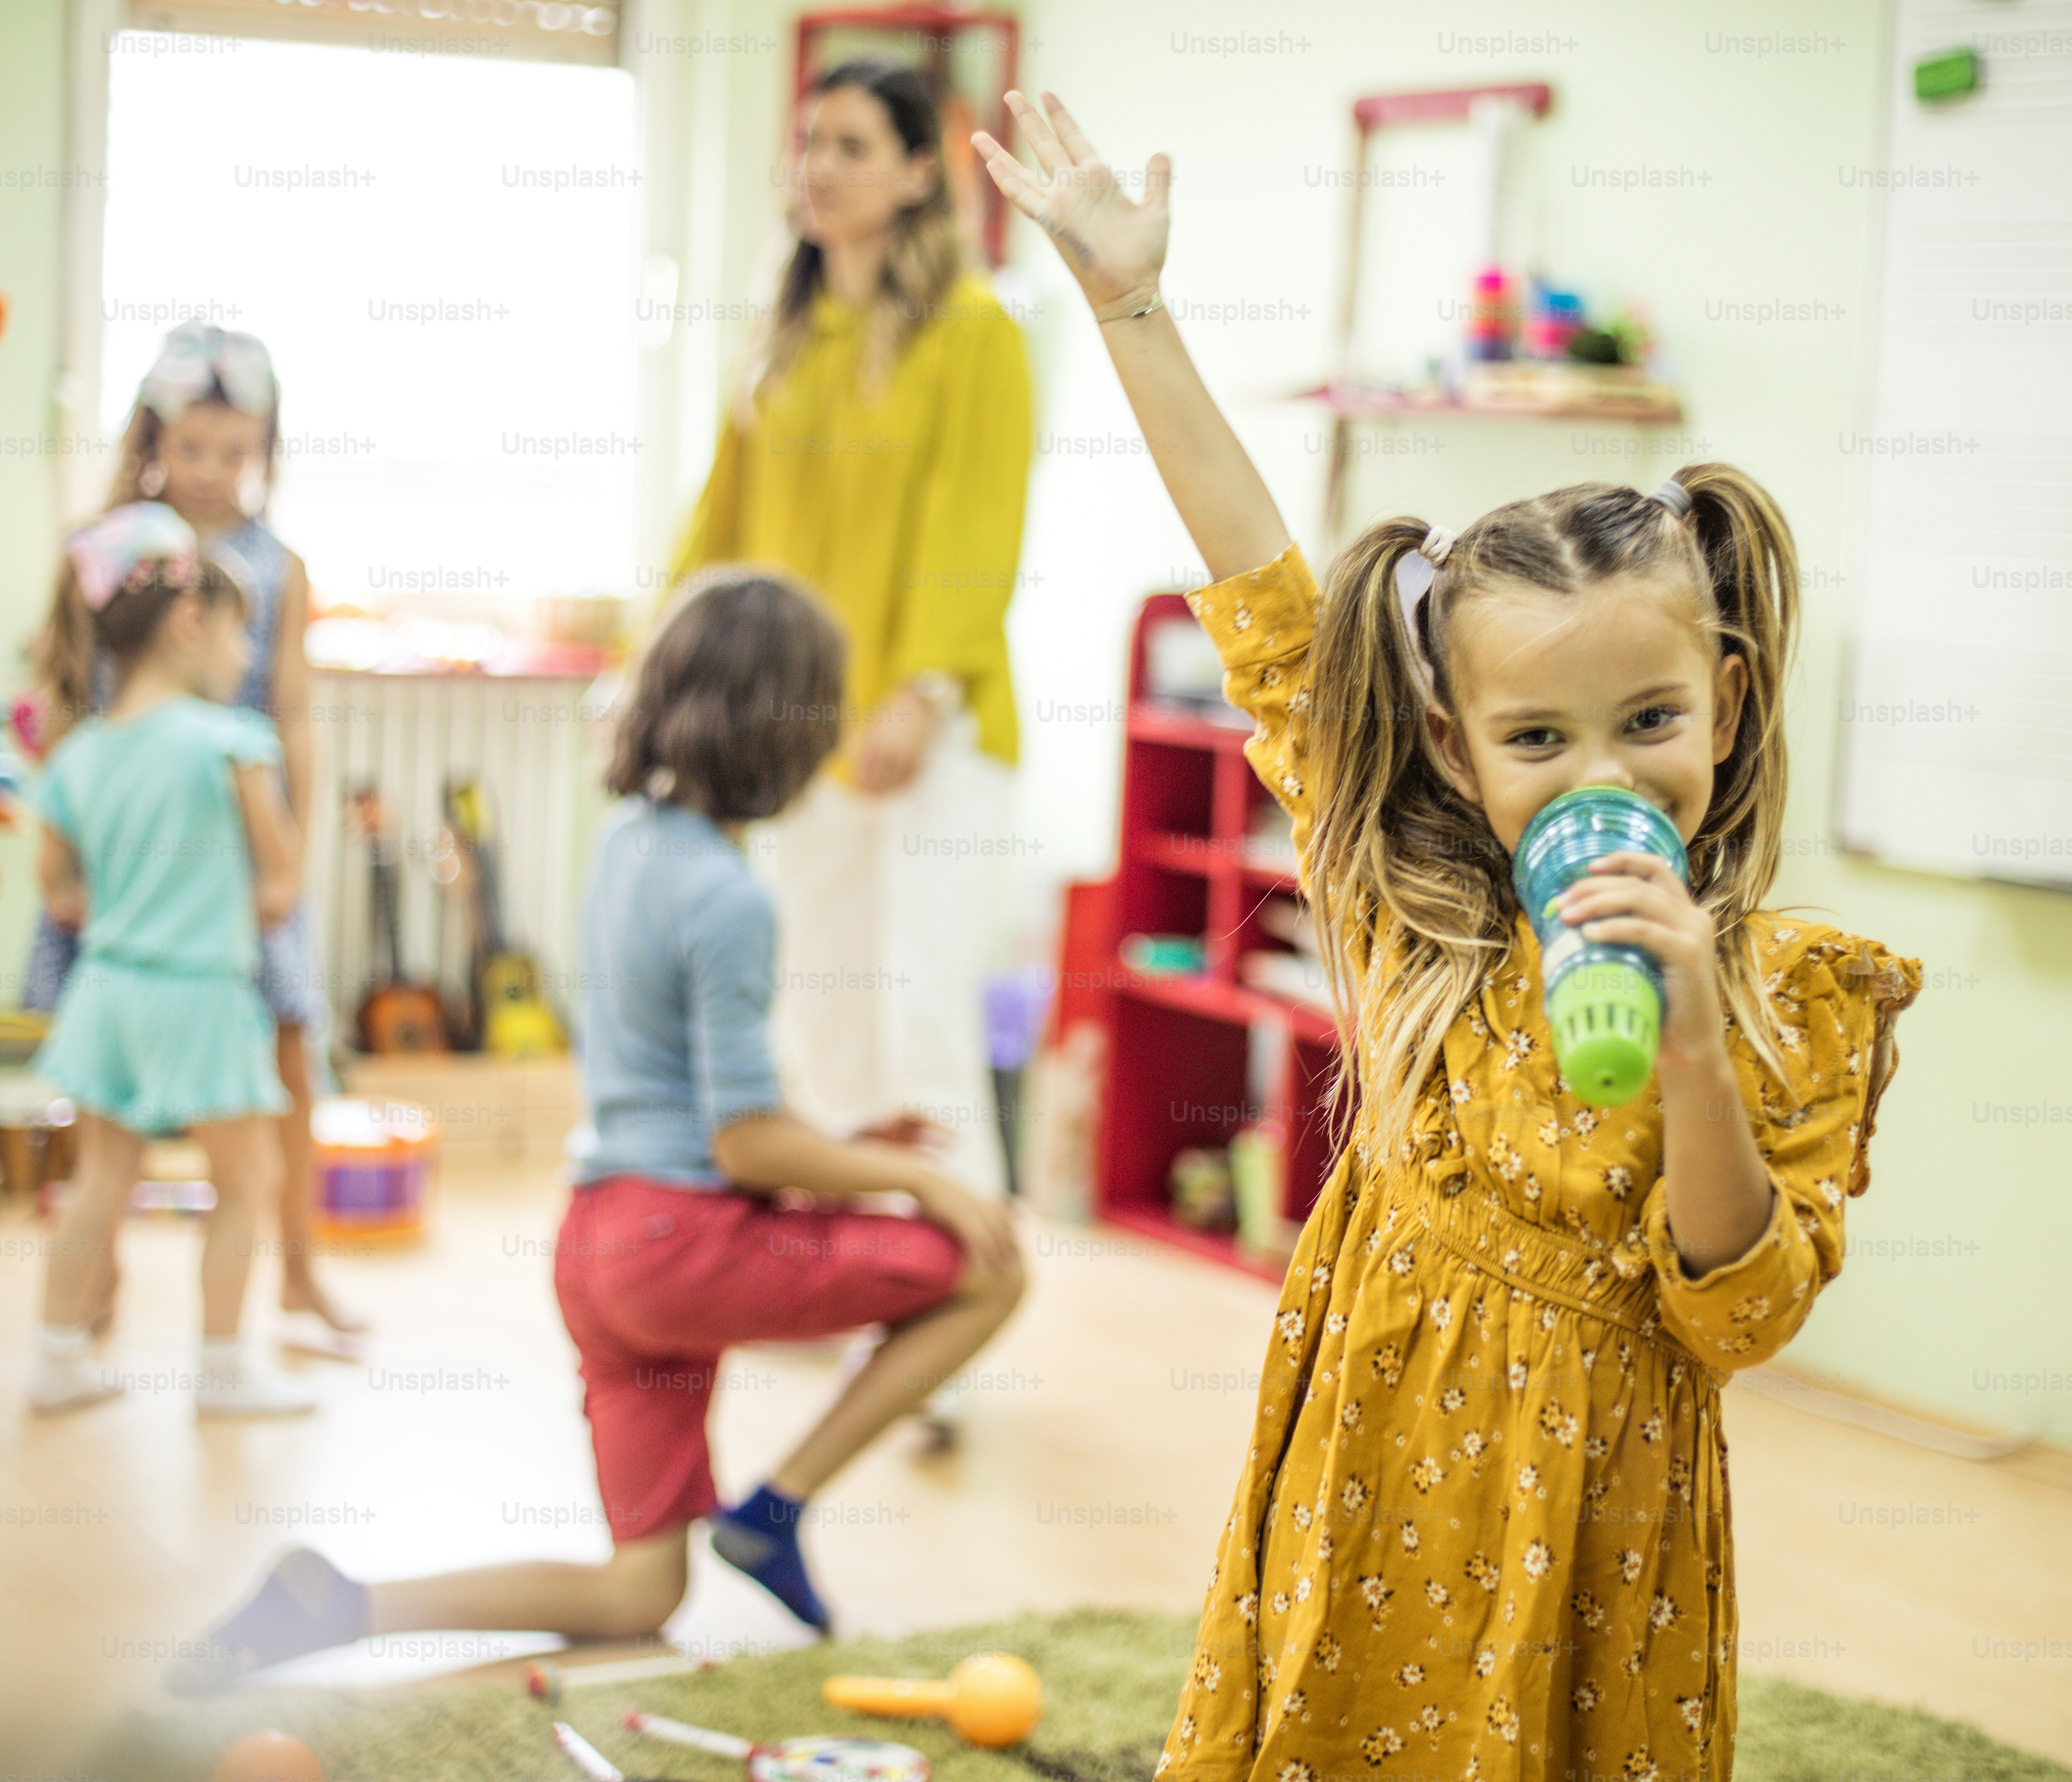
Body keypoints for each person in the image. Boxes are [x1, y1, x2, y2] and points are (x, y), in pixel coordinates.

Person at [975, 93, 1924, 1780]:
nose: (1602, 775)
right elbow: (1260, 589)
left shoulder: (1791, 989)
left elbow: (1740, 1317)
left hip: (1594, 1519)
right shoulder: (1405, 913)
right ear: (1452, 747)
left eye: (1646, 718)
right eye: (1536, 739)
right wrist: (1129, 305)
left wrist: (1693, 1027)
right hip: (1374, 1457)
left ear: (1723, 699)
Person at [164, 571, 1026, 1691]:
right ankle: (775, 1508)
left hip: (598, 1249)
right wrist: (923, 1184)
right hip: (684, 1248)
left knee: (640, 1595)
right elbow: (741, 1146)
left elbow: (689, 1096)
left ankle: (339, 1603)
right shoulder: (732, 895)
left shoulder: (628, 840)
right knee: (992, 1270)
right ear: (787, 728)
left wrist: (852, 1141)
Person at [670, 58, 1035, 1213]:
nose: (818, 169)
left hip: (937, 729)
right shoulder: (783, 336)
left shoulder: (975, 331)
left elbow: (978, 523)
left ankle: (958, 1286)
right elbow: (715, 532)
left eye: (853, 147)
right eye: (810, 143)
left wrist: (920, 691)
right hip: (808, 735)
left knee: (918, 1010)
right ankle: (841, 1267)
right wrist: (656, 674)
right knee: (818, 1010)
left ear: (922, 173)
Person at [23, 322, 363, 1360]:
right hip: (129, 859)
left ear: (264, 449)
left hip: (241, 853)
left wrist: (291, 850)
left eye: (238, 453)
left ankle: (298, 1269)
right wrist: (65, 856)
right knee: (103, 1079)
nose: (213, 473)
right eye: (194, 448)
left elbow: (294, 713)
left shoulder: (279, 565)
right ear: (155, 435)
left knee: (287, 1058)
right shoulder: (112, 547)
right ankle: (100, 1278)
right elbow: (62, 693)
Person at [23, 504, 316, 1418]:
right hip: (201, 994)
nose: (243, 661)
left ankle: (56, 1357)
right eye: (240, 639)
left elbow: (58, 892)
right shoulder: (232, 743)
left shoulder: (80, 755)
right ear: (190, 625)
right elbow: (281, 885)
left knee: (102, 1181)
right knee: (246, 1182)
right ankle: (224, 1372)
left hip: (108, 992)